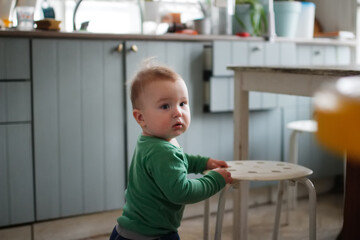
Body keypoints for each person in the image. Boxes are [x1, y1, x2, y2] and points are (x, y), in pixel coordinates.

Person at [110, 61, 233, 240]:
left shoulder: (150, 142)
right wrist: (214, 180)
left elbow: (179, 160)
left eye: (183, 103)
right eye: (165, 106)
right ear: (141, 117)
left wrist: (202, 163)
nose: (177, 112)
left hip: (129, 230)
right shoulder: (162, 151)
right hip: (151, 236)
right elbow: (182, 192)